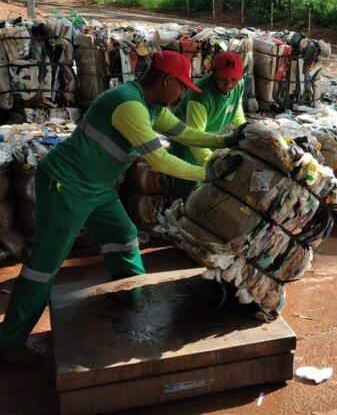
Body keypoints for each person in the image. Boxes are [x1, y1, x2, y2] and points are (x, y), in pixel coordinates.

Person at [0, 51, 245, 367]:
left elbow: (184, 132)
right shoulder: (129, 104)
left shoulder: (153, 104)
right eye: (181, 87)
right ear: (167, 79)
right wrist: (209, 173)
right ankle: (9, 340)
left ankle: (133, 298)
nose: (183, 94)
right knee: (45, 263)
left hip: (96, 187)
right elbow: (160, 159)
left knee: (123, 234)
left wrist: (225, 141)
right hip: (66, 185)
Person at [171, 51, 246, 200]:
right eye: (224, 78)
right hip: (187, 142)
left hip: (211, 138)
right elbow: (195, 139)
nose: (229, 84)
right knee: (190, 189)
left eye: (234, 79)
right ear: (213, 72)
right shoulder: (200, 96)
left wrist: (245, 129)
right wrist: (214, 164)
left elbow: (235, 109)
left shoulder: (239, 85)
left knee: (211, 190)